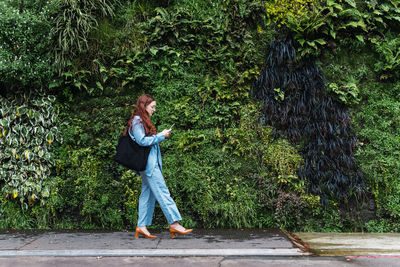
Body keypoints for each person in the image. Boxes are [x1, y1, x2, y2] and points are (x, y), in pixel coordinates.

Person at [123, 94, 193, 239]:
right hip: (149, 165)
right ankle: (174, 223)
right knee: (162, 191)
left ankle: (141, 226)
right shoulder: (137, 121)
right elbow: (142, 141)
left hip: (149, 164)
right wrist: (161, 135)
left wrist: (160, 135)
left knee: (147, 195)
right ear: (144, 106)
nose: (154, 110)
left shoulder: (141, 120)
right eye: (152, 107)